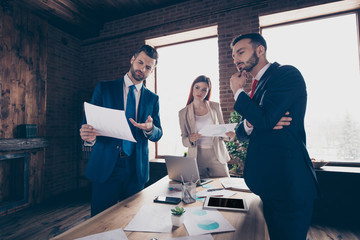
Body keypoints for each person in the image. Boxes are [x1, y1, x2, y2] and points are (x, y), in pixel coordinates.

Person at [229, 33, 320, 240]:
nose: (236, 60)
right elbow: (242, 132)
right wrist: (257, 121)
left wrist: (238, 92)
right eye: (234, 55)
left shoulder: (285, 74)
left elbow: (266, 120)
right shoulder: (258, 87)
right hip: (269, 187)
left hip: (289, 186)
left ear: (260, 50)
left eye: (241, 52)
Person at [79, 45, 163, 216]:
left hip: (136, 168)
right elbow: (88, 124)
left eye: (148, 67)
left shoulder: (153, 99)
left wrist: (150, 129)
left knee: (133, 221)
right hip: (107, 165)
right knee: (100, 222)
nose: (142, 69)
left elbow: (158, 133)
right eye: (140, 62)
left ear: (152, 70)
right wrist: (88, 136)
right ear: (132, 60)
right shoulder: (104, 88)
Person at [178, 75, 235, 178]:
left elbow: (223, 132)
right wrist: (190, 139)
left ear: (208, 92)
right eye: (197, 87)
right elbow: (184, 140)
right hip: (197, 156)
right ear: (192, 88)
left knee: (225, 186)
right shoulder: (183, 113)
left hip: (217, 154)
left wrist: (230, 135)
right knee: (199, 190)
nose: (200, 92)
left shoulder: (215, 107)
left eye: (204, 90)